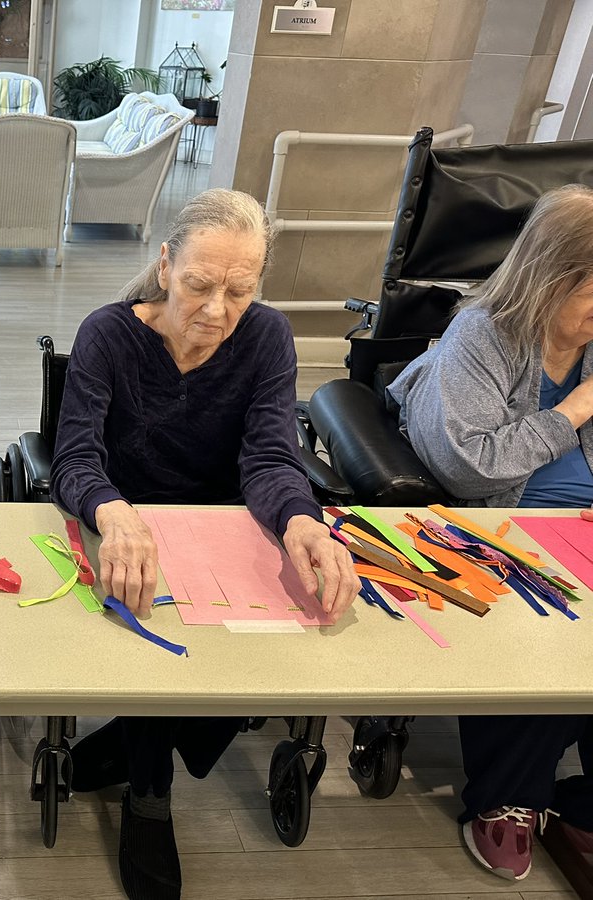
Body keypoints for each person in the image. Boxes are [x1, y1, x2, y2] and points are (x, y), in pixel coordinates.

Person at [51, 188, 359, 900]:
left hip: (224, 525)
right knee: (158, 645)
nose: (217, 310)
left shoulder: (267, 338)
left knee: (252, 657)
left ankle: (134, 743)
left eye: (239, 291)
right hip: (129, 521)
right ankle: (147, 797)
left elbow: (271, 458)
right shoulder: (108, 334)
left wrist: (302, 521)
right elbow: (74, 457)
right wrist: (114, 514)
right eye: (198, 285)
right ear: (165, 266)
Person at [388, 184, 593, 883]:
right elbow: (469, 466)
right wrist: (573, 412)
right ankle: (509, 798)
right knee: (562, 642)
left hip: (582, 533)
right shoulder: (485, 337)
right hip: (493, 531)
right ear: (552, 279)